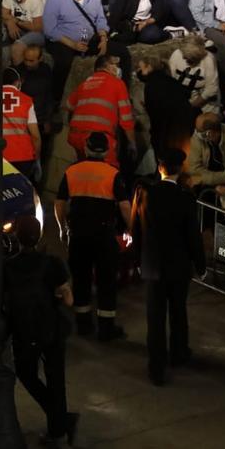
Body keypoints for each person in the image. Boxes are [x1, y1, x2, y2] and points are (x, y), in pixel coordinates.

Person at [131, 148, 206, 386]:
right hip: (178, 265)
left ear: (160, 168)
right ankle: (179, 352)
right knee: (177, 311)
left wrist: (137, 261)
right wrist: (200, 264)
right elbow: (193, 236)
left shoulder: (145, 193)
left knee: (155, 318)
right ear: (180, 169)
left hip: (152, 265)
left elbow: (135, 230)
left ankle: (156, 367)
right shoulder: (186, 198)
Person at [4, 215, 78, 449]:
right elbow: (68, 299)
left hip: (24, 331)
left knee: (26, 374)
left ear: (17, 236)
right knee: (56, 379)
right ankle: (59, 425)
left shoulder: (9, 266)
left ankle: (61, 419)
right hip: (51, 328)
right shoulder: (52, 263)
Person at [54, 132, 134, 340]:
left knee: (81, 279)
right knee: (107, 280)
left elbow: (60, 203)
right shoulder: (112, 173)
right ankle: (106, 328)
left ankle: (83, 325)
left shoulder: (72, 171)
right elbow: (125, 206)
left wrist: (62, 228)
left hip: (78, 234)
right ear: (107, 151)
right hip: (103, 234)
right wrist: (132, 228)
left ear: (86, 149)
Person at [43, 0, 113, 100]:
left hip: (87, 36)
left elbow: (100, 18)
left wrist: (103, 37)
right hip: (64, 39)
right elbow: (49, 28)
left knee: (119, 51)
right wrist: (73, 44)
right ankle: (55, 101)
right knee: (63, 62)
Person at [65, 53, 135, 169]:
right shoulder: (117, 84)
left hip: (76, 136)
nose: (117, 68)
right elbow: (126, 119)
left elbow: (69, 105)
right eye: (115, 65)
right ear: (107, 67)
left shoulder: (84, 84)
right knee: (108, 173)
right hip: (100, 139)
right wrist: (132, 143)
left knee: (83, 170)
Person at [0, 67, 42, 178]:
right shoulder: (26, 101)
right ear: (17, 82)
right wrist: (37, 160)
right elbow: (35, 136)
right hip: (24, 157)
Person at [138, 54, 198, 158]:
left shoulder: (152, 85)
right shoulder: (170, 81)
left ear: (149, 67)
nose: (139, 72)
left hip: (167, 132)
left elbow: (156, 115)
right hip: (185, 128)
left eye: (141, 68)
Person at [189, 112, 225, 190]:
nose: (196, 134)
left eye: (199, 131)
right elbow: (193, 169)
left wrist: (203, 179)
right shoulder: (198, 137)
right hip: (208, 185)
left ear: (209, 133)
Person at [1, 0, 47, 65]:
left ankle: (19, 77)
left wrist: (15, 21)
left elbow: (37, 27)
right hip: (22, 28)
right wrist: (9, 22)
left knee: (17, 48)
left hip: (41, 33)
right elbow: (4, 13)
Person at [169, 37, 220, 115]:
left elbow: (211, 89)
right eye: (184, 55)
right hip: (180, 98)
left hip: (203, 102)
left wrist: (190, 107)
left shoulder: (208, 60)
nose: (183, 58)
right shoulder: (177, 54)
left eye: (188, 58)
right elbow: (170, 80)